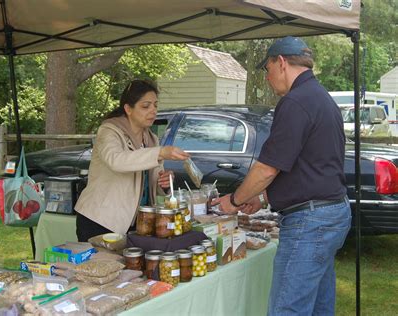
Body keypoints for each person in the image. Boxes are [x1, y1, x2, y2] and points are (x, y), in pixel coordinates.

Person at [213, 36, 351, 315]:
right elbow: (309, 165)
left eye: (268, 70)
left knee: (287, 308)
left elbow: (267, 168)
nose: (267, 77)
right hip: (333, 212)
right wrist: (262, 197)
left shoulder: (295, 102)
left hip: (310, 223)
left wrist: (236, 200)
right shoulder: (322, 98)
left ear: (282, 62)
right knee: (319, 307)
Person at [74, 79, 189, 242]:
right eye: (145, 106)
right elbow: (117, 160)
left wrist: (164, 182)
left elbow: (153, 180)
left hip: (138, 222)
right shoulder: (108, 131)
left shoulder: (151, 139)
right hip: (101, 220)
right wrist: (160, 153)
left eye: (155, 105)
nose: (153, 111)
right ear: (128, 108)